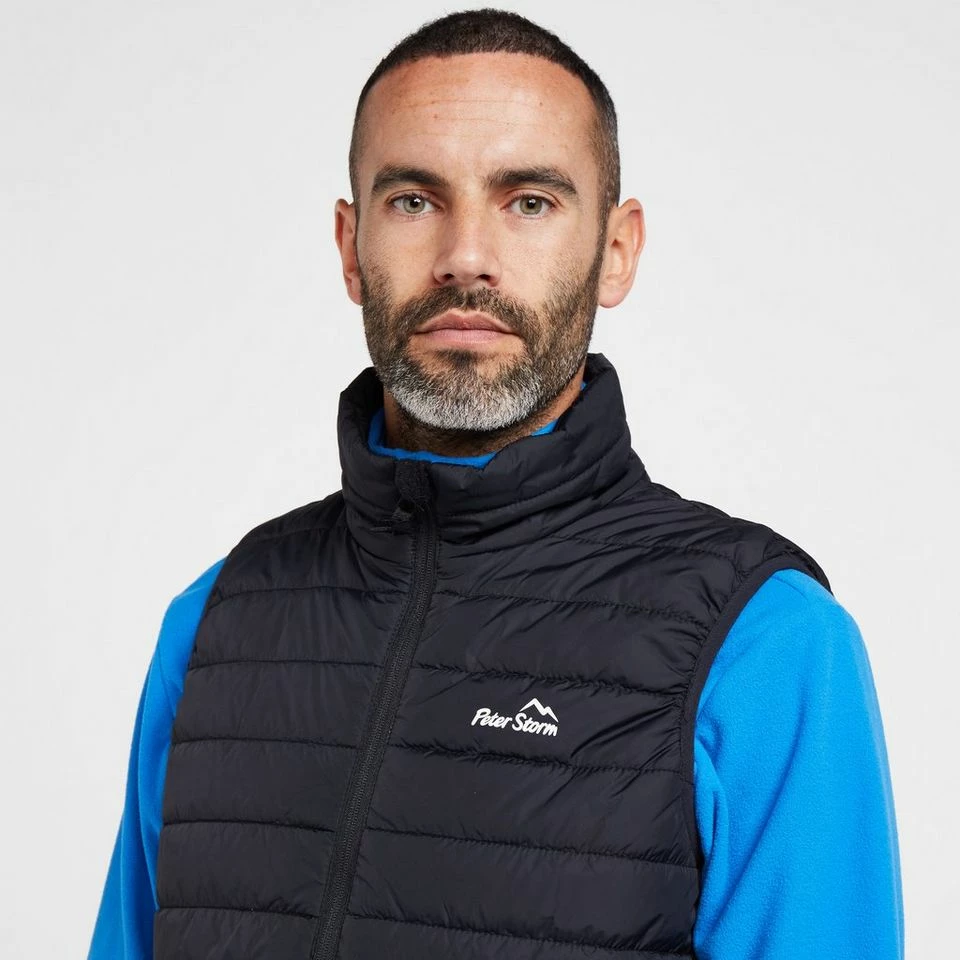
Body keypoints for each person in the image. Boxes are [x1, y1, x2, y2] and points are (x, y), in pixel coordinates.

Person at [88, 8, 904, 959]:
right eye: (413, 200)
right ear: (351, 247)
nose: (465, 256)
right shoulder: (213, 625)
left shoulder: (765, 643)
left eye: (529, 202)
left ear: (616, 251)